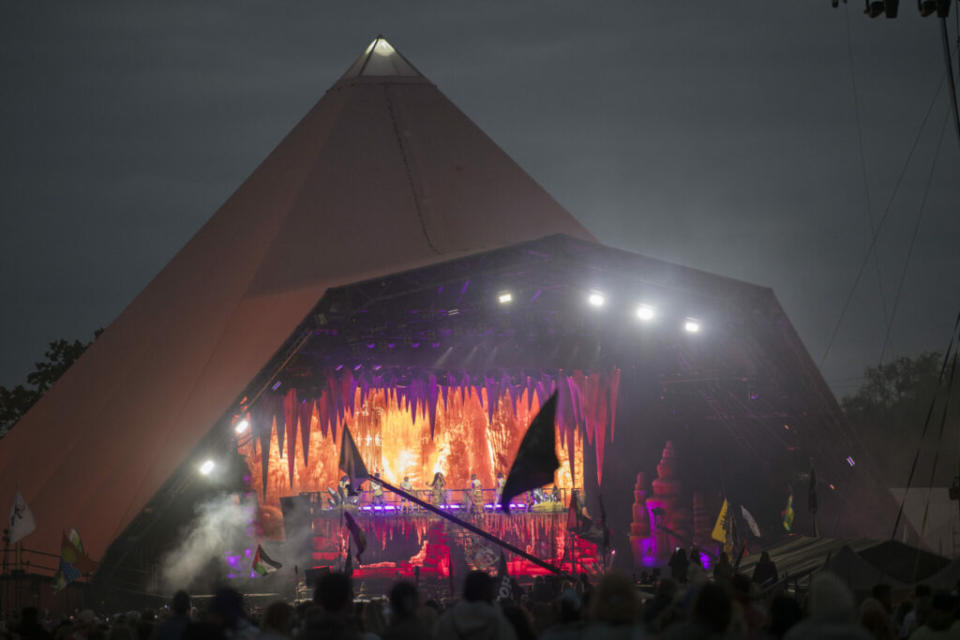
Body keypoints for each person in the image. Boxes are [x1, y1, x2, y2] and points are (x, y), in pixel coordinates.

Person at [433, 570, 517, 640]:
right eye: (491, 589)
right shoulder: (494, 617)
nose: (494, 592)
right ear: (485, 591)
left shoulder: (448, 618)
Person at [299, 571, 363, 640]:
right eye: (351, 598)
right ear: (348, 601)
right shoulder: (353, 635)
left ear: (317, 601)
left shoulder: (302, 635)